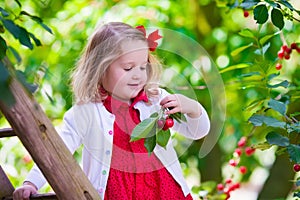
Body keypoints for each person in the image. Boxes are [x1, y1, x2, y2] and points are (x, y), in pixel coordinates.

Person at [13, 22, 210, 200]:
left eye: (143, 67)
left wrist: (192, 108)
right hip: (115, 194)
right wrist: (31, 183)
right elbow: (57, 152)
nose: (137, 76)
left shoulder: (155, 100)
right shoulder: (86, 112)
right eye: (128, 68)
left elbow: (197, 131)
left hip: (164, 191)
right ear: (100, 68)